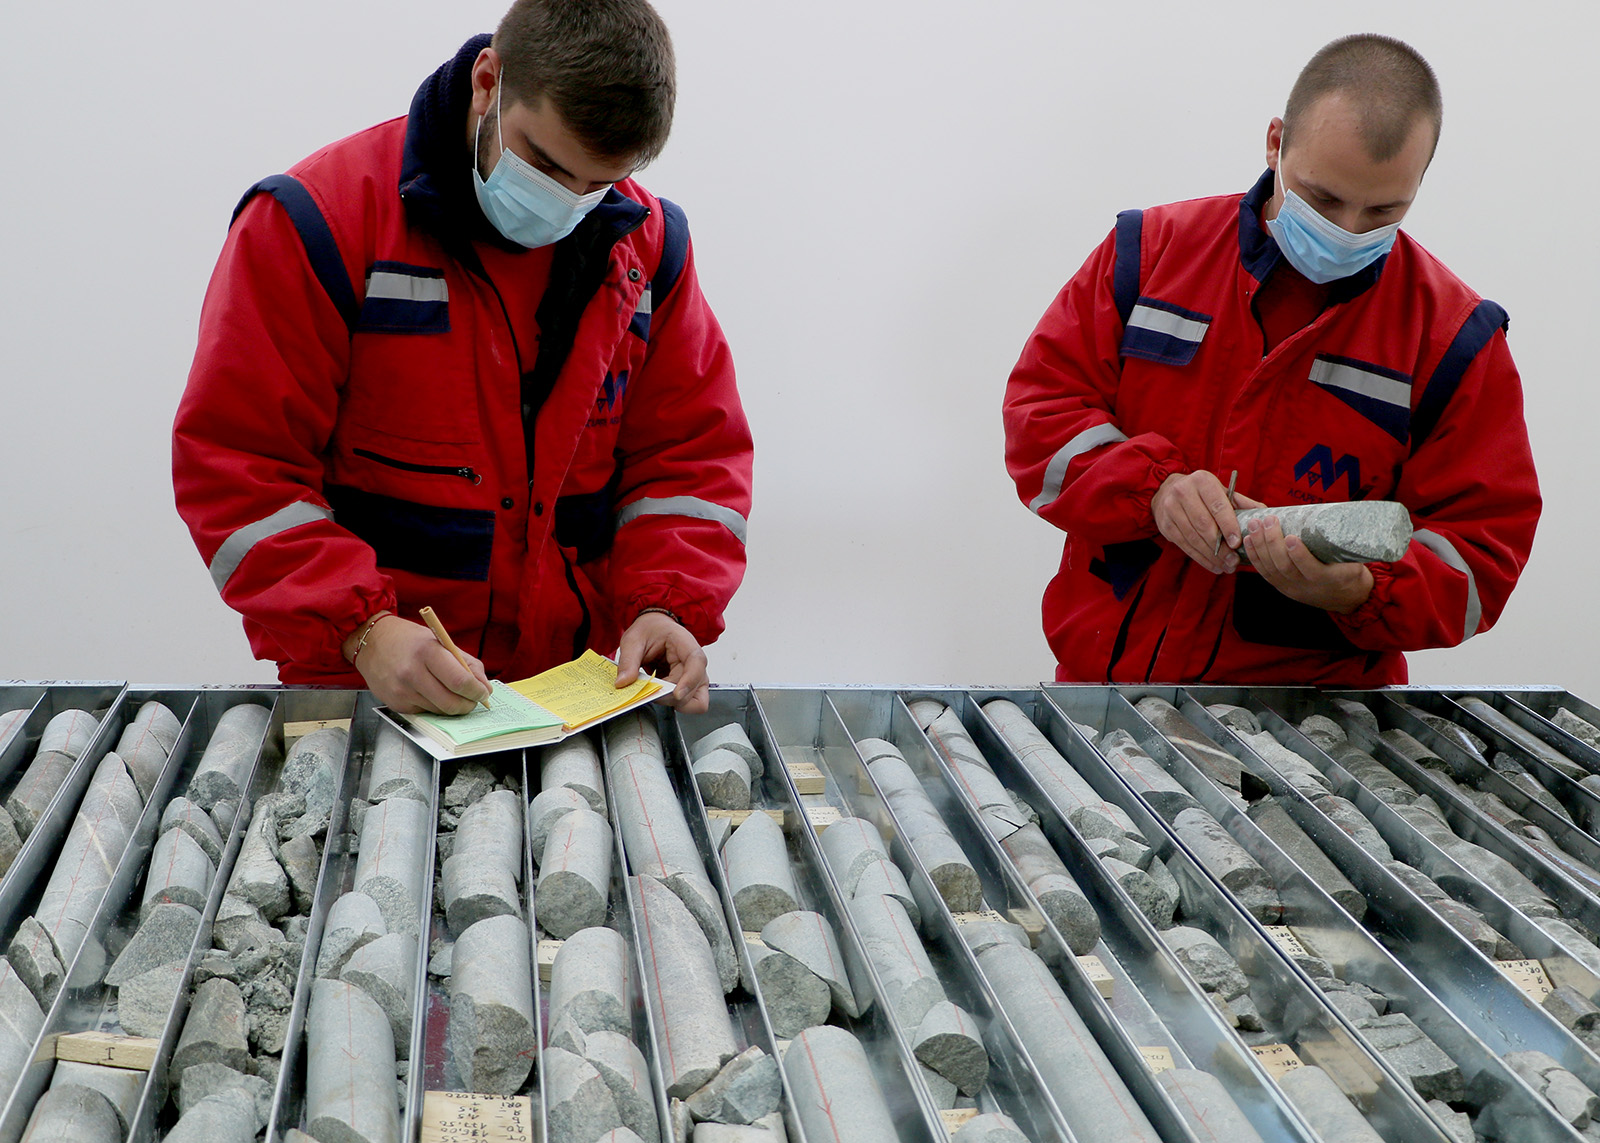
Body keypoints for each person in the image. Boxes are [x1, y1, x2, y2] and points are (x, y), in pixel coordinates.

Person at [174, 0, 752, 715]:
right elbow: (239, 467)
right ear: (488, 80)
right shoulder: (316, 223)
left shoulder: (649, 249)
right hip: (368, 695)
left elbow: (689, 461)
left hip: (570, 707)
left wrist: (667, 604)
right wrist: (360, 627)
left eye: (594, 185)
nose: (565, 204)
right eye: (543, 163)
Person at [1003, 34, 1539, 686]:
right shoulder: (1148, 254)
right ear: (1274, 142)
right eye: (1322, 198)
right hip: (1105, 695)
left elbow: (1480, 558)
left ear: (1420, 182)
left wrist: (1360, 588)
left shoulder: (1457, 340)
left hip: (1315, 735)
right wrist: (1156, 491)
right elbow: (1040, 418)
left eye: (1383, 210)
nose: (1348, 229)